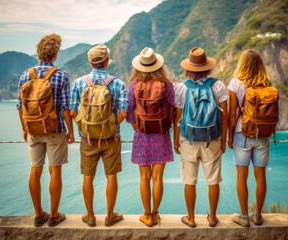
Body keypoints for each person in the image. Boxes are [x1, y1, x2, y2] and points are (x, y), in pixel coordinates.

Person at [16, 33, 75, 227]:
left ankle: (39, 214)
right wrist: (71, 131)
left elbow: (20, 106)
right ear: (55, 53)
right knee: (55, 172)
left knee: (35, 170)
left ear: (38, 52)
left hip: (33, 129)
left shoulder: (26, 75)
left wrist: (25, 128)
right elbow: (66, 108)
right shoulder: (61, 75)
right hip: (55, 129)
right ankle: (54, 215)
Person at [69, 44, 129, 227]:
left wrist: (85, 126)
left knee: (88, 176)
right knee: (111, 176)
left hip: (87, 139)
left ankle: (90, 216)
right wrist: (110, 126)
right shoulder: (118, 83)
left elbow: (71, 111)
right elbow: (125, 111)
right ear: (107, 61)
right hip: (111, 138)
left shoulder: (79, 83)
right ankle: (110, 216)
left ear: (90, 62)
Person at [174, 47, 228, 228]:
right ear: (208, 67)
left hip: (188, 138)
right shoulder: (218, 85)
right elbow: (225, 115)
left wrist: (176, 140)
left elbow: (177, 117)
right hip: (212, 138)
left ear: (188, 67)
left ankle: (190, 218)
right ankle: (212, 217)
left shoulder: (181, 87)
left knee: (189, 180)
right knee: (213, 179)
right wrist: (223, 139)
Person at [126, 47, 174, 227]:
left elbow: (130, 113)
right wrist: (165, 126)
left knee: (144, 177)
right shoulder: (167, 84)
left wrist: (139, 127)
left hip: (142, 135)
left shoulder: (134, 85)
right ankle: (155, 213)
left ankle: (147, 216)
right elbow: (172, 110)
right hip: (162, 135)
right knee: (158, 178)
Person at [228, 49, 273, 227]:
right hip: (262, 134)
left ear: (242, 63)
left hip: (242, 134)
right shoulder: (266, 83)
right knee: (260, 175)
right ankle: (258, 215)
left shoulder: (235, 83)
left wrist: (229, 137)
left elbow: (232, 115)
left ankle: (244, 217)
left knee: (241, 175)